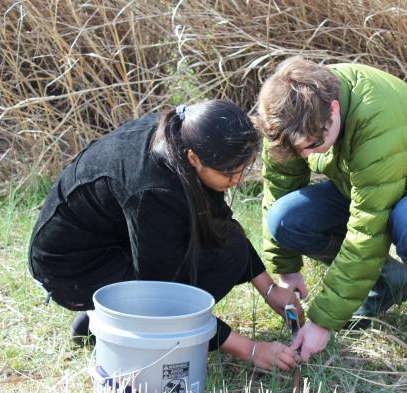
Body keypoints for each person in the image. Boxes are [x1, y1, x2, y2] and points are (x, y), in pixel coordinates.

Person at [254, 57, 407, 385]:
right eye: (297, 150)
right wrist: (287, 268)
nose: (306, 156)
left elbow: (367, 230)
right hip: (372, 184)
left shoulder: (376, 116)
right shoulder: (288, 114)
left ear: (334, 110)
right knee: (285, 220)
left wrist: (322, 321)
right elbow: (279, 188)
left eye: (313, 146)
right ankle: (393, 281)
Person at [28, 99, 303, 371]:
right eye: (230, 173)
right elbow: (160, 297)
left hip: (114, 238)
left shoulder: (184, 135)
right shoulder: (153, 192)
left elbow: (219, 222)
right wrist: (251, 349)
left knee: (230, 248)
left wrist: (270, 289)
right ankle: (113, 318)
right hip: (71, 266)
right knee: (176, 297)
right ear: (194, 158)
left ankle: (107, 319)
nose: (238, 179)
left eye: (245, 167)